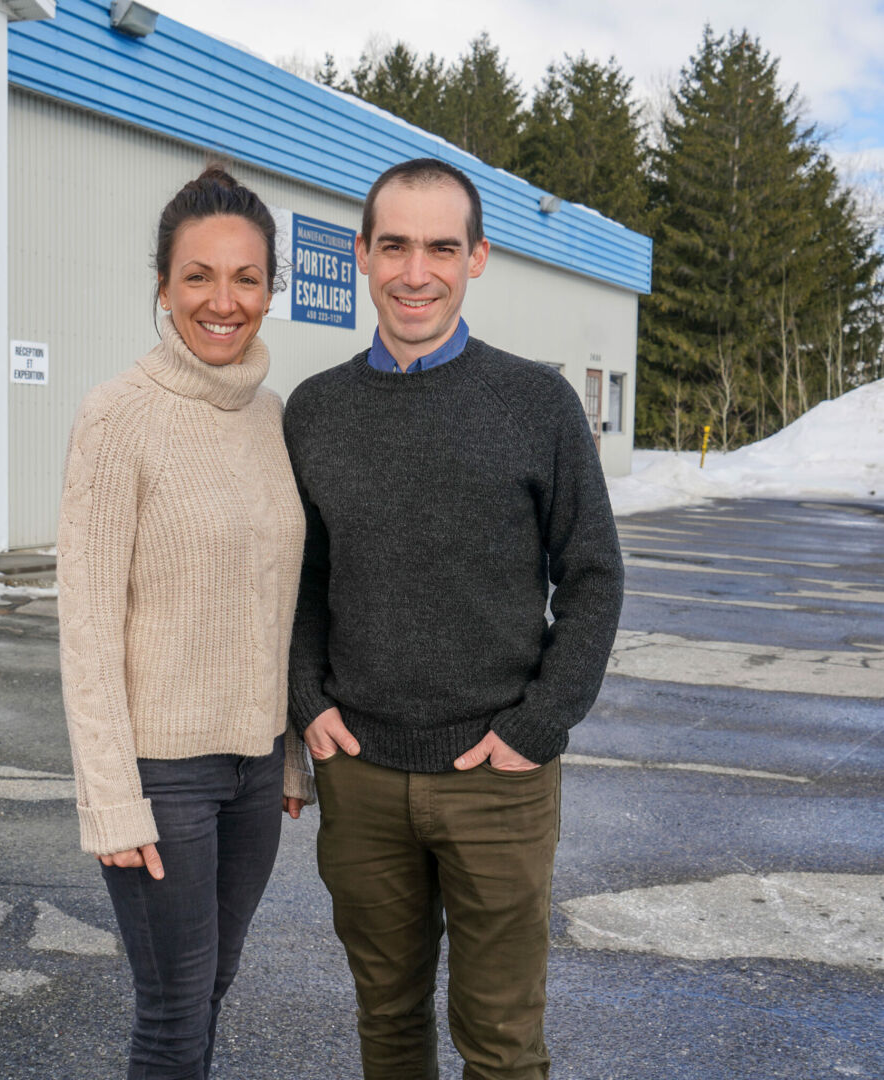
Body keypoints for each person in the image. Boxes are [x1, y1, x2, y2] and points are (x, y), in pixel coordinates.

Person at [284, 158, 624, 1080]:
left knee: (504, 1045)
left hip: (499, 780)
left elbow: (593, 575)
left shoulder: (536, 404)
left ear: (478, 258)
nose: (415, 271)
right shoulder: (315, 412)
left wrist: (539, 723)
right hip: (359, 774)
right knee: (387, 1022)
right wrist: (305, 697)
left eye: (441, 246)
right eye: (393, 245)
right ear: (361, 254)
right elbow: (304, 579)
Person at [57, 166, 314, 1080]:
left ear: (271, 290)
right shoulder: (118, 416)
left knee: (212, 989)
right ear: (162, 286)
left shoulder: (274, 419)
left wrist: (286, 752)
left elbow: (274, 594)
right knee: (171, 1014)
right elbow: (85, 626)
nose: (223, 299)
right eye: (198, 275)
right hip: (160, 772)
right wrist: (110, 798)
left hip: (254, 771)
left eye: (246, 277)